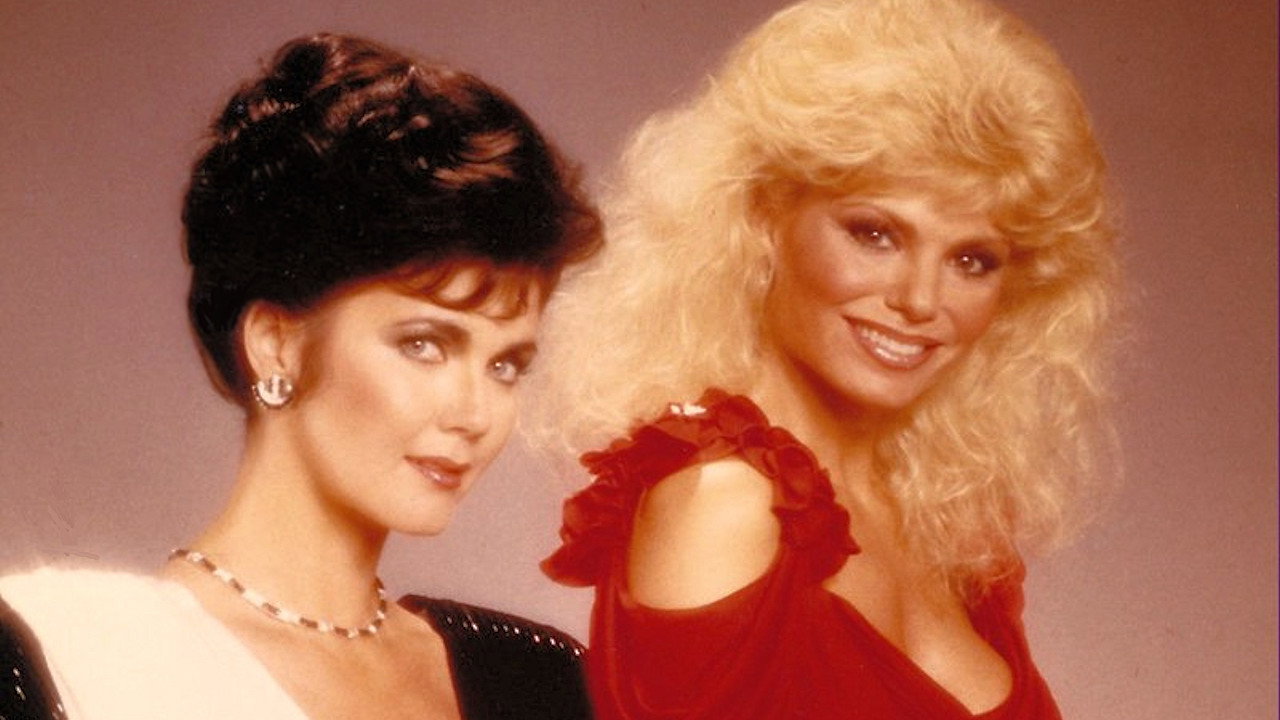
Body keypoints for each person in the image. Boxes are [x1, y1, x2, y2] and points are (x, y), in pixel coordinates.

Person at [532, 0, 1119, 717]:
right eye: (875, 234)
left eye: (972, 260)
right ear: (764, 219)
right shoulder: (723, 502)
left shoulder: (944, 522)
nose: (920, 300)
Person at [0, 33, 601, 720]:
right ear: (276, 344)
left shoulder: (535, 678)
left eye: (505, 365)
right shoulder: (68, 655)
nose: (476, 415)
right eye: (425, 344)